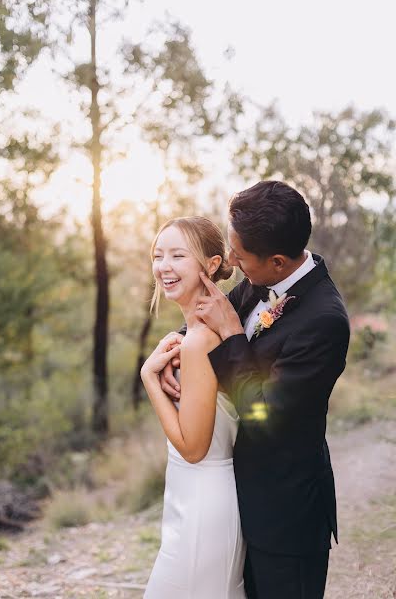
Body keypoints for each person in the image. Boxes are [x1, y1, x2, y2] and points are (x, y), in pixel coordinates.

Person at [161, 181, 350, 599]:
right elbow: (209, 317)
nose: (231, 261)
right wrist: (173, 345)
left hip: (286, 520)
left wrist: (233, 335)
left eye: (239, 256)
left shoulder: (324, 322)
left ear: (279, 261)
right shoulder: (259, 279)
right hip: (236, 506)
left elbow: (265, 416)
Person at [140, 216, 246, 598]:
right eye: (158, 255)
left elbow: (193, 448)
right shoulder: (194, 336)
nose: (164, 266)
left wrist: (149, 380)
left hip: (205, 504)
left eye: (178, 256)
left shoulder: (199, 341)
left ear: (211, 265)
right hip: (190, 498)